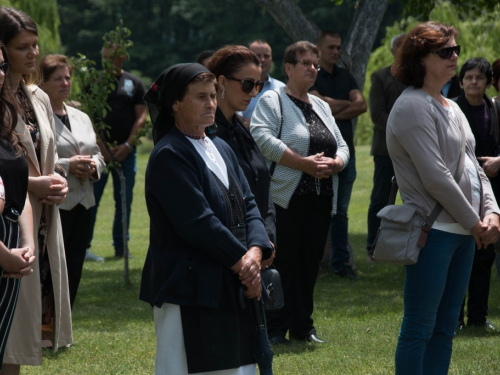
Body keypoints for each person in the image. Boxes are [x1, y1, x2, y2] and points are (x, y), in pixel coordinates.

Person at [139, 62, 273, 374]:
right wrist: (247, 267)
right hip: (189, 287)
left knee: (236, 367)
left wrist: (254, 253)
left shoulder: (221, 147)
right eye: (200, 97)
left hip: (230, 278)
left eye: (213, 95)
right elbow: (197, 222)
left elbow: (249, 203)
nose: (211, 103)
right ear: (175, 104)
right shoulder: (169, 154)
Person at [387, 22, 500, 374]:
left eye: (455, 49)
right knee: (420, 328)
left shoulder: (451, 107)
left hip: (465, 234)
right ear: (420, 58)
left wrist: (493, 213)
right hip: (432, 232)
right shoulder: (411, 106)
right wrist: (476, 223)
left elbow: (475, 166)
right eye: (445, 52)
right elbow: (436, 178)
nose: (455, 57)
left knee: (445, 328)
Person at [250, 41, 349, 345]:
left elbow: (342, 145)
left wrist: (336, 163)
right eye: (304, 62)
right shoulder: (273, 99)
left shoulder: (321, 105)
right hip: (286, 197)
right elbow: (262, 137)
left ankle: (303, 327)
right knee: (284, 263)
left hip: (320, 198)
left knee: (309, 262)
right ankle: (277, 328)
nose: (312, 68)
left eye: (315, 63)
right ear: (288, 68)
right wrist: (302, 163)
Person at [0, 7, 72, 373]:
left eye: (35, 46)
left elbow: (45, 154)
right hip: (8, 217)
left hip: (42, 222)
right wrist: (34, 184)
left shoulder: (37, 96)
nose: (32, 54)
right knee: (9, 333)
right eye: (21, 47)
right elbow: (5, 167)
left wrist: (55, 178)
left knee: (25, 332)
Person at [40, 54, 105, 308]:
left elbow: (98, 153)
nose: (65, 83)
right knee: (51, 263)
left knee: (75, 262)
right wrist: (69, 165)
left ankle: (66, 317)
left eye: (68, 77)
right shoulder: (37, 117)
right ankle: (46, 319)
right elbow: (35, 157)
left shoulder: (81, 116)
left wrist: (93, 166)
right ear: (42, 83)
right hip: (55, 201)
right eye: (58, 79)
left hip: (84, 201)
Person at [310, 31, 367, 279]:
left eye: (338, 48)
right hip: (319, 155)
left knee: (341, 213)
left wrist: (329, 107)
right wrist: (344, 104)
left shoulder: (346, 76)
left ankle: (341, 263)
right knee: (316, 210)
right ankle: (312, 261)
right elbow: (315, 102)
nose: (336, 52)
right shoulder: (312, 76)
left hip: (347, 155)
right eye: (331, 47)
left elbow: (361, 105)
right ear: (319, 49)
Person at [207, 44, 276, 248]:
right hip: (233, 247)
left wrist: (268, 234)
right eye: (248, 84)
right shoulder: (205, 135)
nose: (254, 94)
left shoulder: (242, 131)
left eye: (258, 85)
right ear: (222, 82)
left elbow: (263, 185)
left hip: (260, 241)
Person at [87, 42, 147, 259]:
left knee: (124, 199)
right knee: (92, 197)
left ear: (122, 58)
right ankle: (85, 246)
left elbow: (141, 116)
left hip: (126, 153)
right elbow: (88, 116)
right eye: (104, 57)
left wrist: (128, 145)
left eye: (111, 58)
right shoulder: (94, 82)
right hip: (99, 153)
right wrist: (102, 147)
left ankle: (121, 247)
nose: (107, 62)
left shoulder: (134, 83)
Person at [453, 57, 500, 331]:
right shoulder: (452, 109)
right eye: (469, 77)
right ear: (461, 82)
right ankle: (455, 318)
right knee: (459, 252)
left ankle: (478, 318)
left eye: (479, 78)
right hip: (460, 190)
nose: (474, 82)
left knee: (485, 254)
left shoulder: (494, 109)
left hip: (491, 190)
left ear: (488, 82)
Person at [0, 42, 36, 370]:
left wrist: (27, 244)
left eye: (0, 66)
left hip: (10, 244)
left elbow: (18, 189)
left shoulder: (4, 118)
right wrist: (3, 254)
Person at [366, 34, 405, 258]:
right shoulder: (380, 76)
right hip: (386, 150)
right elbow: (377, 114)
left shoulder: (419, 77)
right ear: (392, 50)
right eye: (400, 46)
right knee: (381, 198)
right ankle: (373, 245)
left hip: (415, 150)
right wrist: (405, 132)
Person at [240, 40, 285, 123]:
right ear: (248, 59)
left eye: (266, 56)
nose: (263, 59)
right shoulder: (239, 85)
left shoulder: (281, 88)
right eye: (258, 56)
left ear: (271, 59)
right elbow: (235, 118)